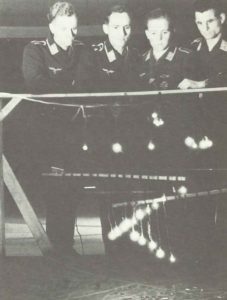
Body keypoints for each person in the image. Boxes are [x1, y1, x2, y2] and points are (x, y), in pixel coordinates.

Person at [76, 5, 143, 258]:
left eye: (126, 26)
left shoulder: (137, 56)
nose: (122, 32)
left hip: (131, 136)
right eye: (116, 27)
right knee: (109, 192)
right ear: (105, 28)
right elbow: (85, 93)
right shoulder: (91, 56)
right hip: (102, 136)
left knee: (132, 191)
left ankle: (131, 249)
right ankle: (113, 250)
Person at [22, 1, 85, 257]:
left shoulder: (82, 49)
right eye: (63, 29)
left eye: (74, 29)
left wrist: (59, 85)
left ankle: (66, 246)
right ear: (51, 26)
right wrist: (68, 86)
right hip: (46, 134)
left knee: (72, 188)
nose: (70, 36)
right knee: (54, 190)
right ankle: (55, 246)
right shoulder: (34, 50)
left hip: (75, 131)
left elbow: (85, 84)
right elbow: (35, 84)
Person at [140, 8, 197, 90]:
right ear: (147, 34)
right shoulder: (140, 60)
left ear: (172, 32)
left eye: (164, 32)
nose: (159, 38)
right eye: (154, 33)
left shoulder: (187, 57)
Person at [179, 0, 227, 89]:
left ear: (222, 18)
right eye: (200, 23)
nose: (205, 28)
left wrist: (203, 84)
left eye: (210, 21)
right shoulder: (192, 47)